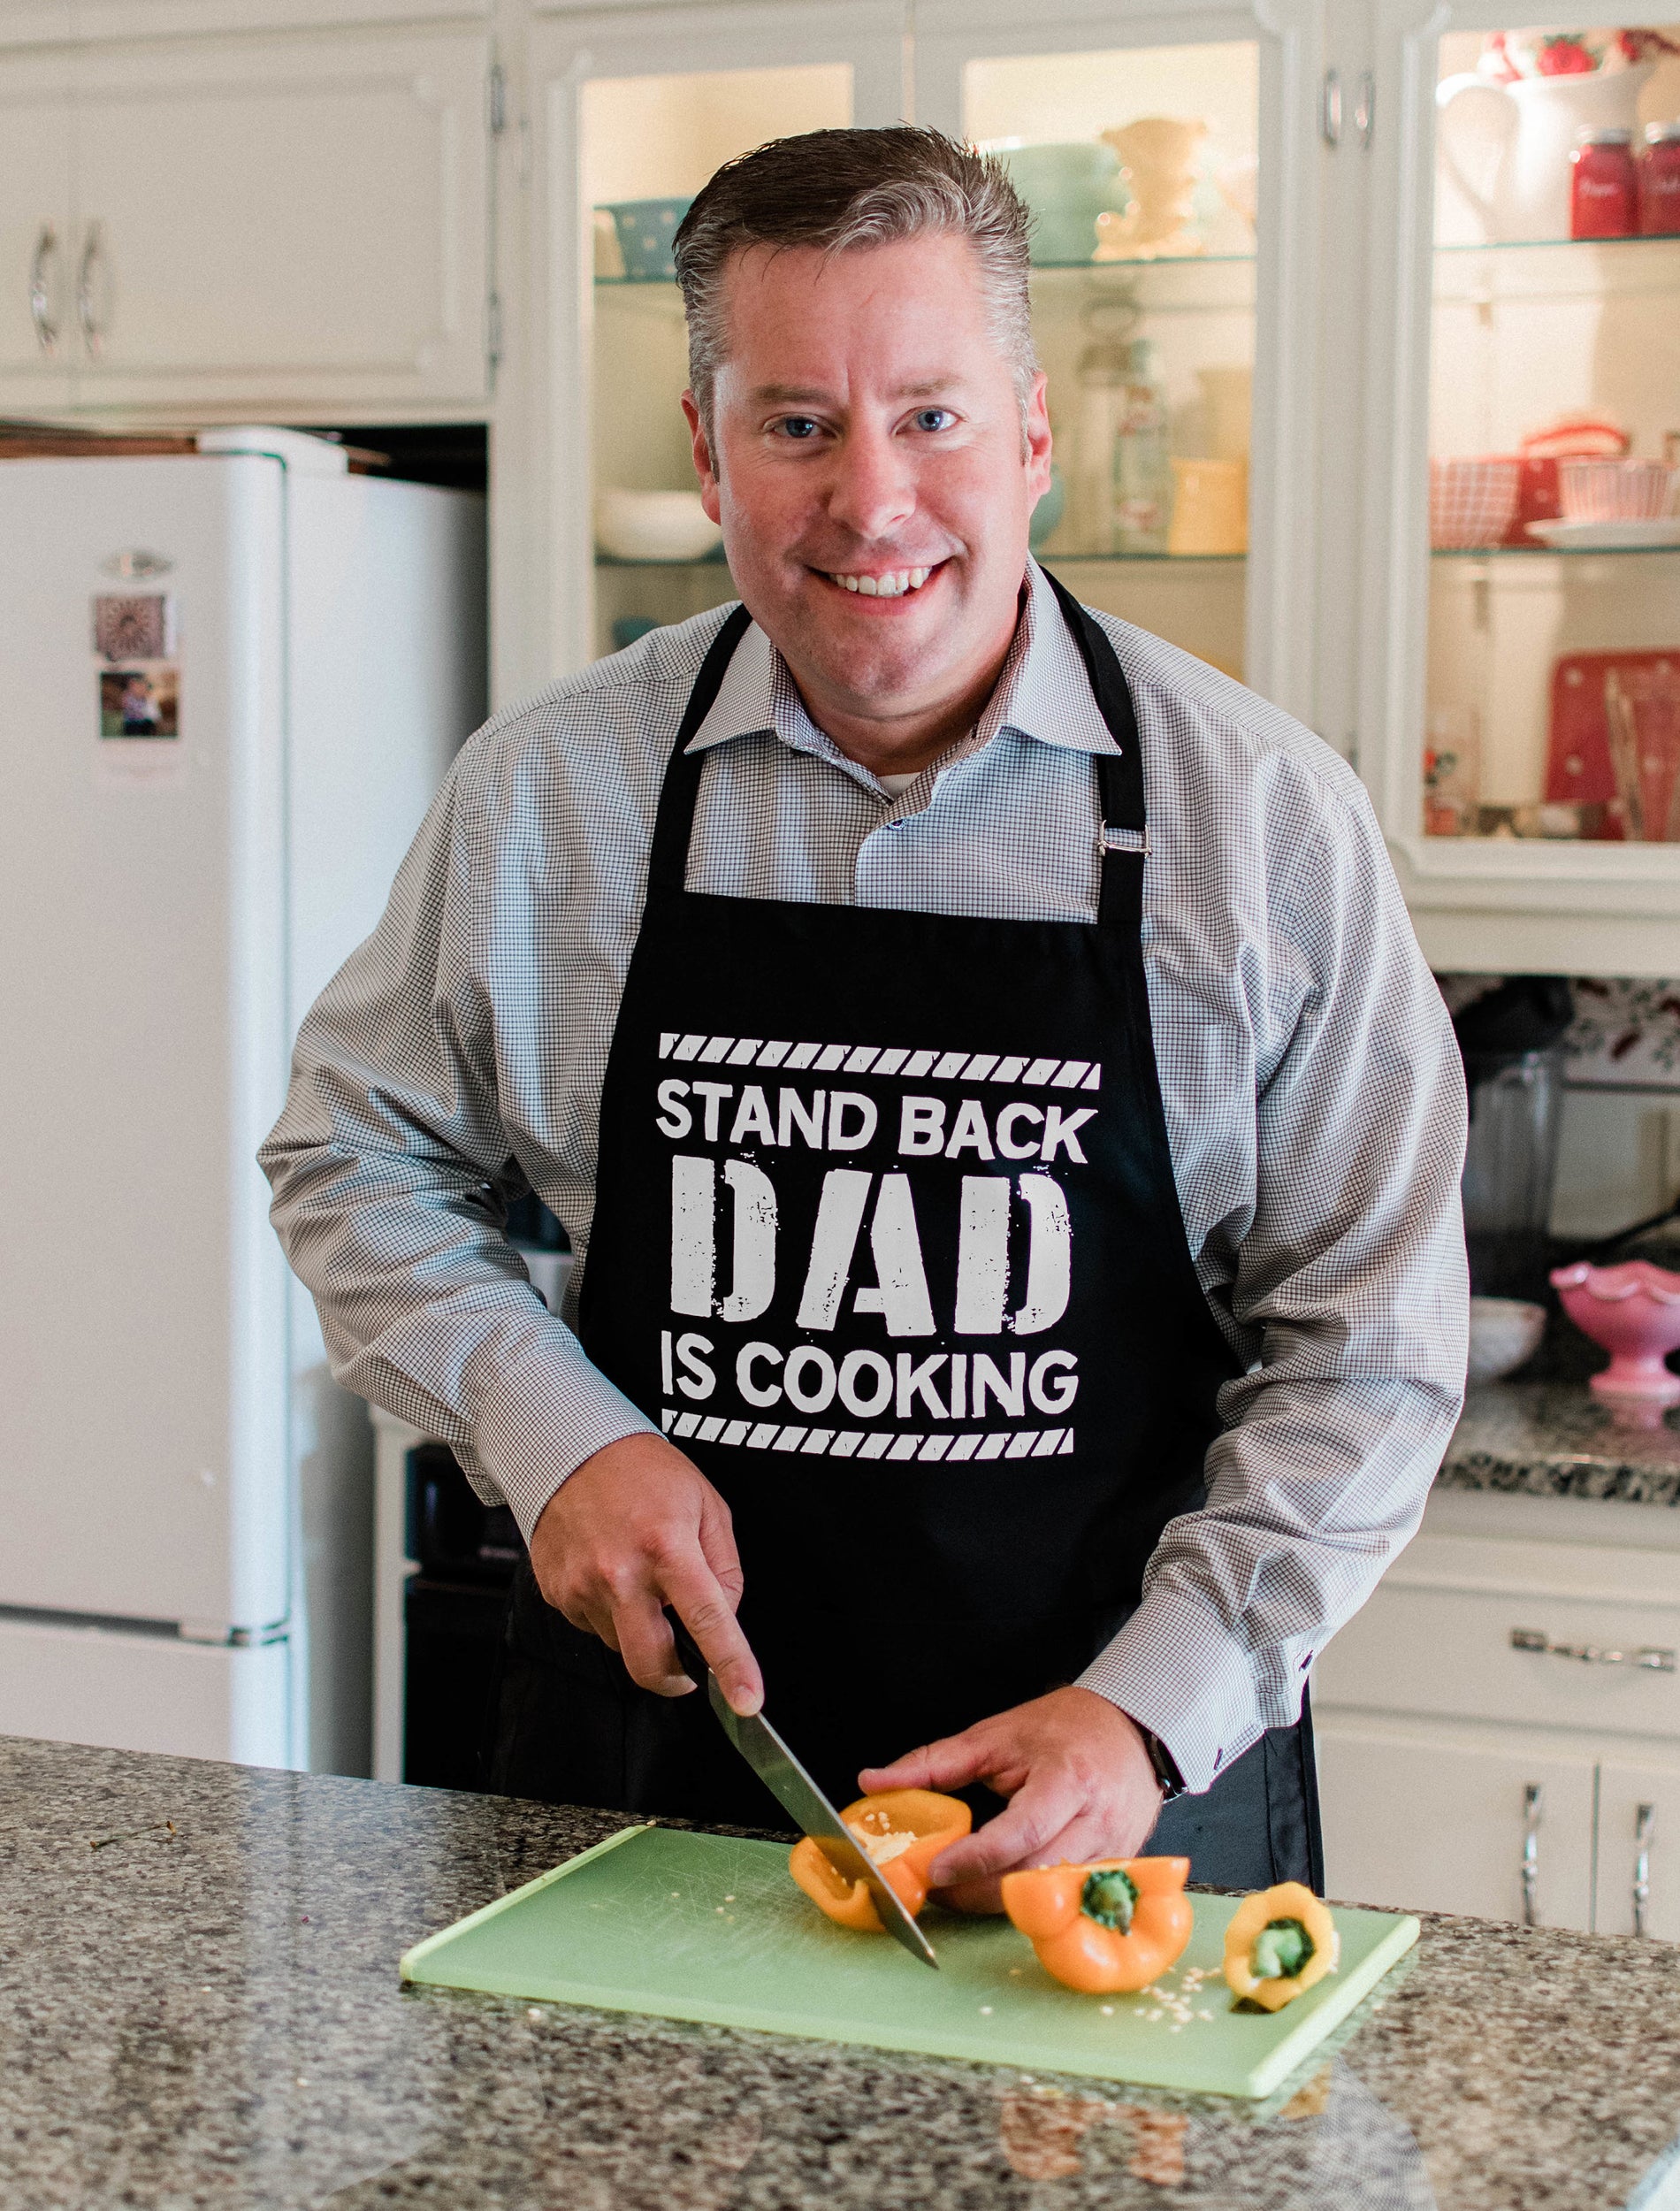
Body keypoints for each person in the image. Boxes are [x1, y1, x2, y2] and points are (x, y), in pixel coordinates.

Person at [260, 127, 1467, 1906]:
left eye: (931, 415)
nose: (870, 500)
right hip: (650, 1781)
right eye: (797, 423)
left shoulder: (1264, 828)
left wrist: (1146, 1710)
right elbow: (350, 1156)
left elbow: (1364, 1346)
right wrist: (554, 1430)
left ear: (1035, 435)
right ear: (707, 448)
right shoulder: (549, 795)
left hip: (1114, 1813)